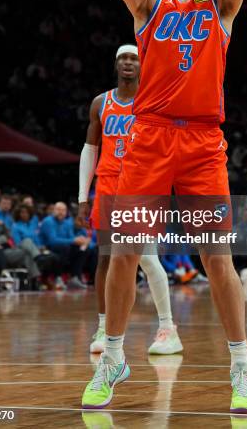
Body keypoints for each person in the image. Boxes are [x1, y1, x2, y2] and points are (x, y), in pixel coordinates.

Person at [82, 0, 247, 413]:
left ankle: (241, 366)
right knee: (124, 253)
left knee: (218, 258)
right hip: (150, 140)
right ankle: (112, 355)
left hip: (204, 145)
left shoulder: (221, 6)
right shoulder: (149, 4)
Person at [78, 45, 183, 355]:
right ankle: (103, 325)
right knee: (106, 259)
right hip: (108, 185)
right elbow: (89, 150)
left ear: (142, 65)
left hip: (142, 186)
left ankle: (168, 328)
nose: (127, 63)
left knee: (147, 259)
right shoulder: (101, 103)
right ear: (115, 65)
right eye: (122, 58)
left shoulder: (153, 102)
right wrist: (83, 197)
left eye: (133, 58)